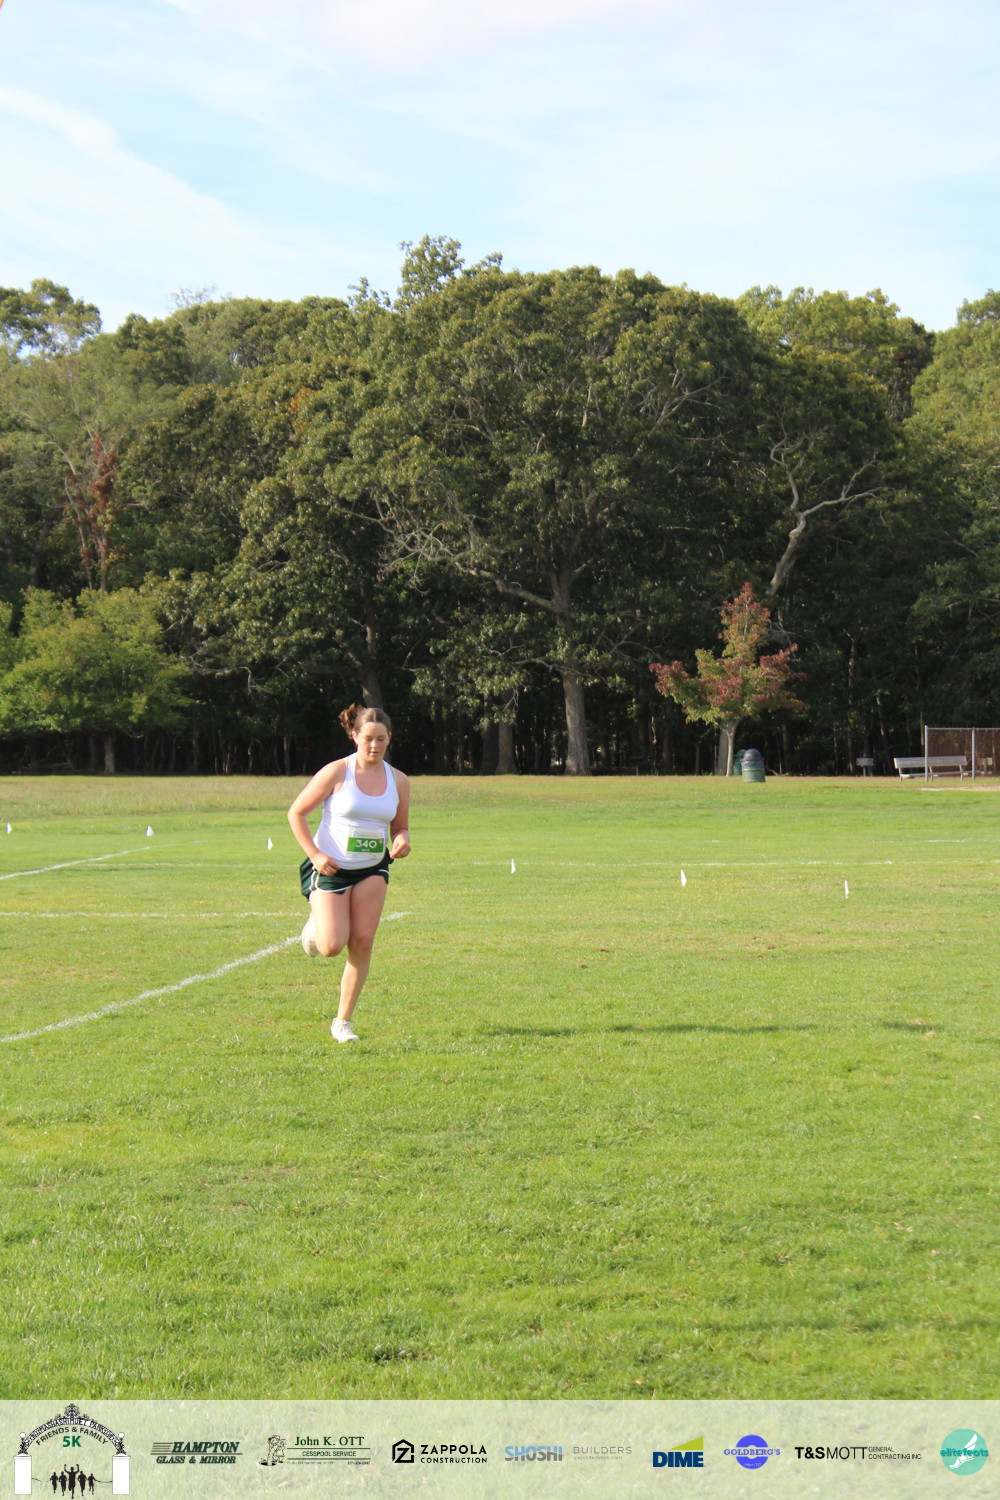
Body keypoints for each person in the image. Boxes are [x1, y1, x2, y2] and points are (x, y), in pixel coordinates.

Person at [287, 705, 410, 1042]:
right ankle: (316, 925)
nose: (374, 745)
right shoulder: (337, 772)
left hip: (373, 868)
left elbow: (400, 827)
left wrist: (402, 839)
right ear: (354, 736)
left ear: (389, 739)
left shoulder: (398, 780)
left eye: (381, 739)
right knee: (330, 946)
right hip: (331, 867)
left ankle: (342, 1022)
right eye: (368, 738)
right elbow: (296, 813)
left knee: (363, 942)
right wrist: (315, 855)